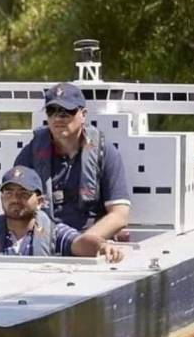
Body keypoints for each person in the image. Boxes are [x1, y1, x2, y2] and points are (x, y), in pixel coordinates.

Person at [14, 82, 130, 240]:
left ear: (83, 114)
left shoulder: (106, 153)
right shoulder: (30, 155)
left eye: (65, 112)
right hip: (44, 238)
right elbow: (16, 207)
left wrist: (82, 242)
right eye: (51, 111)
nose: (57, 118)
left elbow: (119, 214)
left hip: (90, 238)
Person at [0, 166, 124, 261]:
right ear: (2, 198)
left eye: (24, 194)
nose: (15, 199)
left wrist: (102, 246)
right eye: (9, 194)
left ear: (40, 201)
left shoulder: (55, 234)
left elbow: (80, 242)